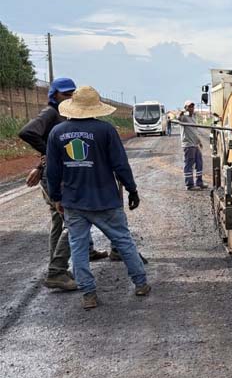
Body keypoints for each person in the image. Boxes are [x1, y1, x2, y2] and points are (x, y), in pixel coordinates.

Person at [45, 86, 149, 310]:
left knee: (79, 248)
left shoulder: (57, 133)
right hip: (106, 200)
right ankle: (140, 283)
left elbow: (52, 172)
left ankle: (88, 295)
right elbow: (120, 165)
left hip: (73, 201)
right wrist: (132, 189)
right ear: (95, 108)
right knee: (123, 241)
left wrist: (56, 197)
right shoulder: (106, 130)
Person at [18, 77, 109, 291]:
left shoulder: (65, 113)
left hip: (54, 171)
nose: (68, 97)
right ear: (54, 94)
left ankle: (85, 252)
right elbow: (27, 132)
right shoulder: (51, 112)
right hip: (54, 176)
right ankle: (56, 271)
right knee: (71, 219)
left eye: (71, 94)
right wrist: (49, 153)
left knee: (63, 220)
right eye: (64, 94)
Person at [178, 100, 207, 191]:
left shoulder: (193, 117)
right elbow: (178, 118)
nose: (191, 108)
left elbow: (194, 131)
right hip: (188, 145)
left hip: (195, 144)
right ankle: (189, 185)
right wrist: (183, 111)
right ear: (186, 107)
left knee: (199, 163)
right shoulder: (184, 118)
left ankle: (199, 182)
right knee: (189, 164)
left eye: (192, 107)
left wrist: (199, 141)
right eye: (189, 107)